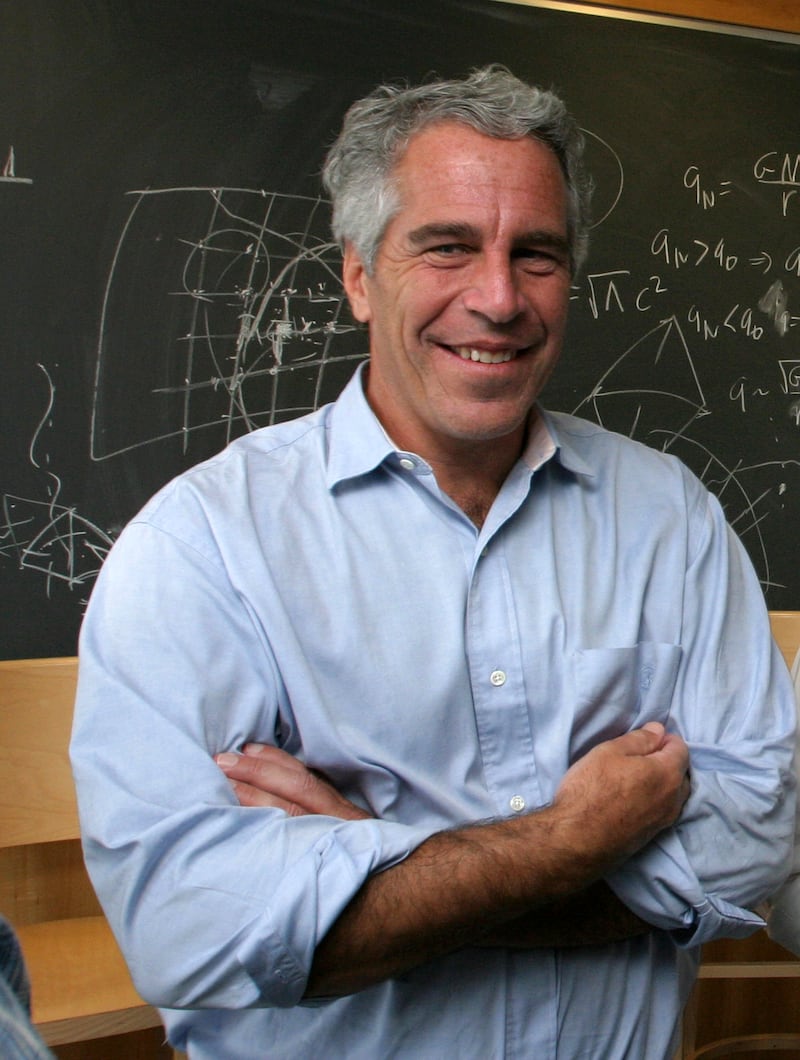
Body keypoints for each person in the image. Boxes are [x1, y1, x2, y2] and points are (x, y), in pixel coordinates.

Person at [70, 66, 796, 1059]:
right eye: (446, 247)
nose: (496, 298)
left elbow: (752, 839)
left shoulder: (669, 517)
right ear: (359, 274)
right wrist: (572, 838)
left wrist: (366, 867)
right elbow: (189, 933)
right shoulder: (202, 547)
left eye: (534, 254)